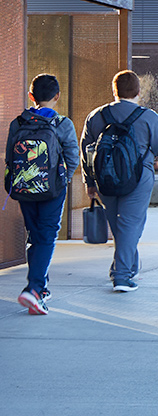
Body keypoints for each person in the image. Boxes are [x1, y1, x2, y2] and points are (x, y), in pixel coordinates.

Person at [80, 70, 158, 292]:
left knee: (119, 226)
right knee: (130, 225)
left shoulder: (96, 116)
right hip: (139, 179)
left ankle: (129, 267)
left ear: (114, 91)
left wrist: (89, 182)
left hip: (105, 180)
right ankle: (122, 277)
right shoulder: (148, 117)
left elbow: (86, 152)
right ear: (138, 92)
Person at [6, 74, 80, 315]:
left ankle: (41, 287)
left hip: (23, 188)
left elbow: (10, 158)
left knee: (36, 235)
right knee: (47, 236)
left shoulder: (18, 123)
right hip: (52, 191)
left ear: (31, 96)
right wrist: (61, 182)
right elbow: (72, 158)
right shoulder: (62, 124)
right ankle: (34, 289)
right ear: (57, 96)